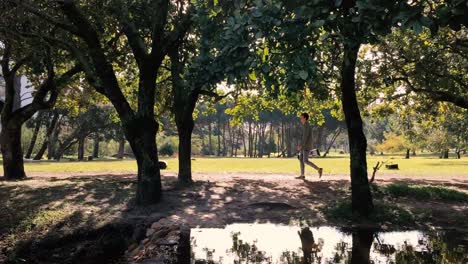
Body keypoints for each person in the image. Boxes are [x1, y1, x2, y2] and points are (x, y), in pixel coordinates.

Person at [296, 113, 323, 179]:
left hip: (306, 146)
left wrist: (301, 146)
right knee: (301, 159)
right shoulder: (305, 125)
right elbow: (303, 137)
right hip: (304, 146)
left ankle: (319, 169)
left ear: (305, 118)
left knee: (305, 160)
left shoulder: (306, 126)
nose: (300, 119)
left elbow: (305, 137)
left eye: (301, 118)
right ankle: (302, 175)